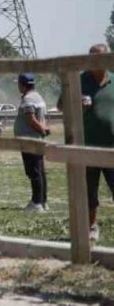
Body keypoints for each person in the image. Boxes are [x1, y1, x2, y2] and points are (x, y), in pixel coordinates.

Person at [81, 43, 112, 241]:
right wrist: (76, 101)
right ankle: (92, 226)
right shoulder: (80, 80)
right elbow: (60, 105)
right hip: (87, 146)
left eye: (100, 58)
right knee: (89, 192)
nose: (95, 62)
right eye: (92, 58)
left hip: (112, 147)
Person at [14, 73, 51, 212]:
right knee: (40, 170)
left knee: (34, 172)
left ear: (22, 84)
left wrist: (41, 129)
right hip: (37, 139)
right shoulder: (38, 97)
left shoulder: (28, 99)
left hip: (29, 140)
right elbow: (46, 117)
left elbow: (31, 119)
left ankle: (36, 203)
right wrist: (45, 128)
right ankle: (43, 201)